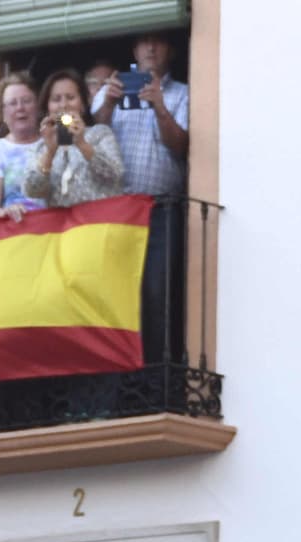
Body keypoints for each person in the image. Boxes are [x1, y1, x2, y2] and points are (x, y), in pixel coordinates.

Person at [91, 35, 190, 360]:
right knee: (113, 294)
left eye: (159, 43)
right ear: (133, 51)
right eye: (144, 44)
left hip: (161, 210)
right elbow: (90, 139)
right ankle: (120, 377)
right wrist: (107, 104)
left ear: (171, 50)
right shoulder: (112, 89)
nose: (150, 49)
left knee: (157, 295)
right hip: (117, 211)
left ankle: (154, 381)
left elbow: (180, 145)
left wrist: (160, 107)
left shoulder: (183, 94)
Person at [21, 70, 124, 209]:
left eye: (70, 97)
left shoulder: (100, 133)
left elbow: (116, 174)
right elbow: (31, 190)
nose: (63, 105)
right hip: (62, 229)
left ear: (83, 104)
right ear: (47, 108)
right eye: (56, 99)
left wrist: (82, 144)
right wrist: (50, 153)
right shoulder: (40, 147)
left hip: (99, 225)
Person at [0, 73, 45, 219]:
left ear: (37, 107)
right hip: (15, 230)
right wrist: (6, 212)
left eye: (26, 101)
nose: (20, 108)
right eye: (12, 103)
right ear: (2, 113)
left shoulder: (52, 144)